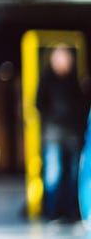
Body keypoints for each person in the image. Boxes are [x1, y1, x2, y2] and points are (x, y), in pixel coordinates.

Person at [36, 43, 89, 224]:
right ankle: (53, 212)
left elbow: (83, 108)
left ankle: (71, 211)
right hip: (53, 135)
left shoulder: (76, 82)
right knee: (54, 173)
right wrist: (56, 118)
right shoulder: (47, 80)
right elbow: (39, 105)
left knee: (73, 175)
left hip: (73, 136)